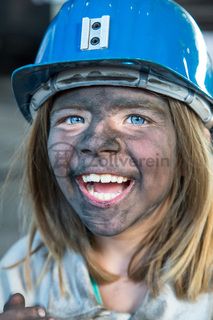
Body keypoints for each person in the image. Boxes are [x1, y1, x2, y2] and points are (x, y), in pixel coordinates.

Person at [0, 0, 213, 319]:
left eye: (136, 119)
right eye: (72, 119)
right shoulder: (21, 272)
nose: (96, 143)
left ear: (191, 146)